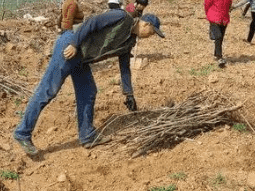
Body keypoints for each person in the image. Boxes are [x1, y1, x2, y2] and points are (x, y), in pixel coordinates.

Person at [13, 9, 165, 156]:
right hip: (70, 46)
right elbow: (92, 22)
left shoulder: (129, 42)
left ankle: (87, 136)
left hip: (82, 57)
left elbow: (125, 68)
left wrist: (129, 94)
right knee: (48, 90)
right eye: (151, 33)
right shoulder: (121, 17)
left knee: (88, 92)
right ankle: (22, 133)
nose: (149, 36)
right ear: (146, 25)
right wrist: (74, 44)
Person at [204, 0, 233, 68]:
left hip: (224, 19)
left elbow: (229, 4)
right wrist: (208, 15)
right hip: (214, 18)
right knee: (218, 36)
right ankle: (220, 58)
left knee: (220, 38)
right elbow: (206, 4)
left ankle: (216, 54)